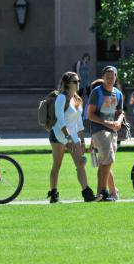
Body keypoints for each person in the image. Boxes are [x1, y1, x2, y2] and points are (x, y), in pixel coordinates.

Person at [47, 72, 96, 203]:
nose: (78, 83)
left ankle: (87, 193)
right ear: (68, 83)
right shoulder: (61, 98)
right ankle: (53, 193)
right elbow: (60, 121)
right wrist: (67, 139)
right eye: (75, 81)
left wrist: (81, 141)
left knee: (80, 163)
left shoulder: (77, 99)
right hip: (58, 134)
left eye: (79, 80)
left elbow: (79, 123)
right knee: (57, 165)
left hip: (72, 135)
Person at [87, 66, 125, 201]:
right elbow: (90, 114)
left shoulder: (118, 94)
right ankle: (104, 191)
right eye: (107, 76)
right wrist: (106, 123)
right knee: (109, 158)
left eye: (112, 76)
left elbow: (120, 112)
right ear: (103, 77)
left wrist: (119, 121)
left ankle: (100, 193)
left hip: (113, 130)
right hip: (99, 130)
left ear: (115, 77)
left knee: (105, 161)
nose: (110, 79)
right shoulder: (97, 92)